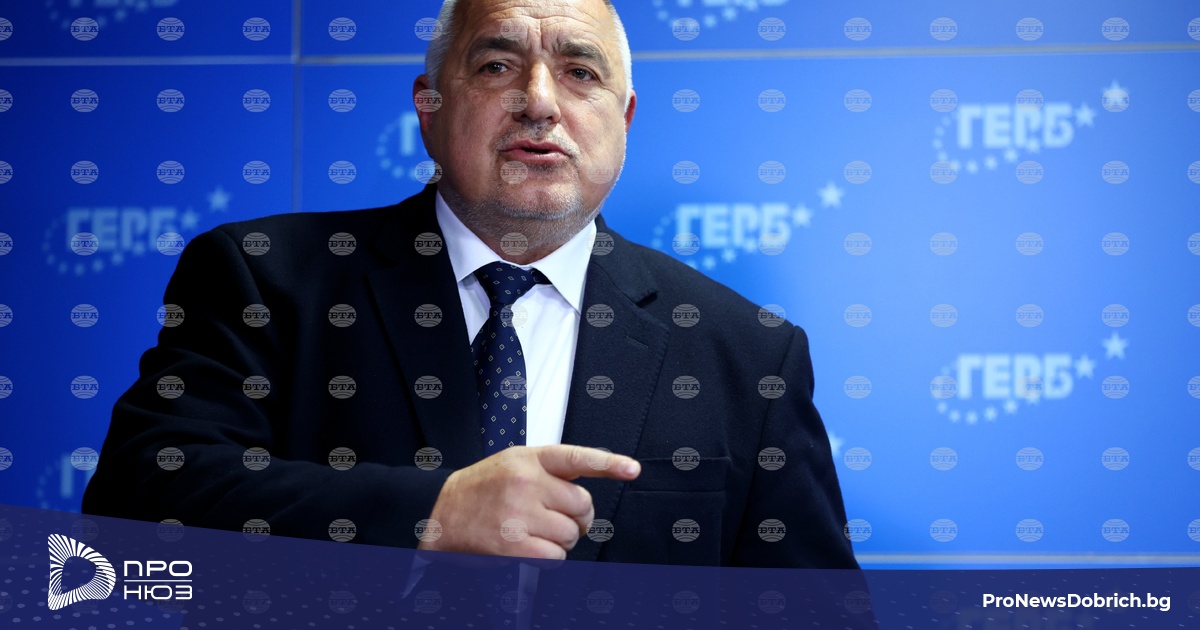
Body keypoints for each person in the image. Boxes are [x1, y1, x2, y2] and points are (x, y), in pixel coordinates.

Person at [83, 0, 857, 569]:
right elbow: (138, 501)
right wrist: (433, 513)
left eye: (580, 72)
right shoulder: (264, 274)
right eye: (496, 66)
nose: (540, 101)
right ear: (429, 107)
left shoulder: (746, 352)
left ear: (623, 120)